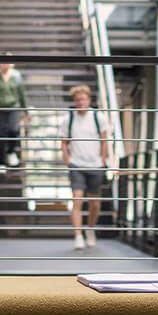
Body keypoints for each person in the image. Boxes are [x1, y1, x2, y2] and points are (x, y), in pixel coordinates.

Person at [60, 84, 110, 250]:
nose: (81, 102)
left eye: (83, 99)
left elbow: (105, 139)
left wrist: (103, 160)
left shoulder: (98, 117)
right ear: (75, 101)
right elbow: (64, 141)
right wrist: (68, 160)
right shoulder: (69, 119)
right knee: (77, 201)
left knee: (95, 204)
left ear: (88, 100)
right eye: (78, 100)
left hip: (95, 165)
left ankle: (90, 230)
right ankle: (78, 236)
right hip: (77, 165)